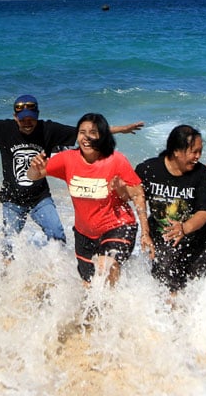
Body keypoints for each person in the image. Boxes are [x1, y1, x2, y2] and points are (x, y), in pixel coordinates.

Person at [0, 94, 143, 255]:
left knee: (57, 234)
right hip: (12, 199)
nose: (27, 123)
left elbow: (85, 134)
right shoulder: (3, 129)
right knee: (9, 243)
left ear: (37, 115)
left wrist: (121, 129)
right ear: (15, 117)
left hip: (40, 198)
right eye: (22, 119)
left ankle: (57, 275)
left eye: (30, 119)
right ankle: (7, 277)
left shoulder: (48, 129)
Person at [26, 113, 154, 286]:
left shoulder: (116, 160)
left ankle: (111, 307)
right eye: (82, 132)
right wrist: (34, 168)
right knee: (88, 284)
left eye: (92, 132)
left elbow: (138, 194)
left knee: (105, 267)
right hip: (84, 233)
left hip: (118, 226)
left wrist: (145, 233)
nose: (86, 137)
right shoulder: (67, 159)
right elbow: (34, 176)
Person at [135, 125, 206, 293]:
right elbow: (137, 197)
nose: (198, 157)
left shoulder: (202, 174)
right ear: (176, 151)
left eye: (200, 152)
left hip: (200, 237)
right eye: (193, 152)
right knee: (164, 284)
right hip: (163, 234)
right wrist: (145, 232)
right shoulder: (148, 169)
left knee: (199, 283)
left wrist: (184, 228)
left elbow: (205, 211)